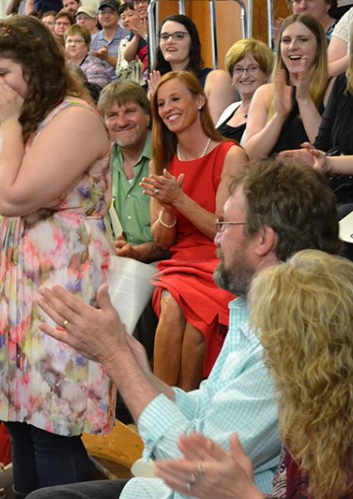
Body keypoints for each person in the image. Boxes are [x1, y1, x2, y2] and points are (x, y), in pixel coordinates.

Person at [31, 159, 343, 499]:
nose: (216, 238)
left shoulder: (292, 335)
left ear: (263, 240)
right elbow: (204, 410)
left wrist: (115, 356)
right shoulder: (257, 310)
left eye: (224, 223)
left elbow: (197, 468)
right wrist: (132, 361)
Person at [0, 16, 114, 498]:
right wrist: (1, 125)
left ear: (36, 70)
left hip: (59, 286)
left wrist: (10, 121)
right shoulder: (20, 121)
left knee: (52, 427)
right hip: (13, 287)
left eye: (2, 72)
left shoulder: (76, 118)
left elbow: (15, 196)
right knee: (20, 421)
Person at [155, 250, 353, 499]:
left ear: (314, 359)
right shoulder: (322, 411)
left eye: (275, 346)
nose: (269, 358)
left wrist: (243, 493)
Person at [140, 71, 248, 390]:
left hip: (222, 258)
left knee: (196, 328)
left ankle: (188, 415)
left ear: (199, 100)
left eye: (175, 98)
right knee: (172, 304)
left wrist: (178, 199)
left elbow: (225, 229)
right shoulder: (161, 161)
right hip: (181, 262)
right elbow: (162, 240)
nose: (167, 108)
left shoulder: (231, 154)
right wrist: (169, 210)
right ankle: (159, 411)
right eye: (160, 103)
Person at [278, 0, 353, 277]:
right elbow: (322, 146)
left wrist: (331, 164)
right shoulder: (346, 84)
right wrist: (308, 157)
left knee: (337, 221)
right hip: (339, 193)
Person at [244, 13, 331, 160]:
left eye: (302, 40)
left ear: (318, 48)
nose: (292, 47)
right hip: (270, 178)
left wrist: (303, 99)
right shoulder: (265, 92)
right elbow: (250, 156)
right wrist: (278, 117)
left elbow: (327, 150)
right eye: (286, 40)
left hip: (314, 180)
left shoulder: (332, 87)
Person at [98, 80, 165, 263]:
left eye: (129, 111)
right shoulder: (100, 165)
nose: (122, 122)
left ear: (147, 116)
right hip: (118, 265)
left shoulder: (168, 156)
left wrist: (137, 253)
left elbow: (178, 239)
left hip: (164, 266)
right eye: (112, 115)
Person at [150, 14, 235, 124]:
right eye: (165, 36)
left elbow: (217, 134)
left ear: (192, 42)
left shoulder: (216, 79)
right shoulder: (156, 83)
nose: (170, 41)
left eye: (179, 36)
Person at [215, 39, 273, 143]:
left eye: (253, 68)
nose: (245, 75)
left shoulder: (270, 111)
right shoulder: (230, 109)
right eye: (238, 69)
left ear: (267, 74)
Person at [91, 0, 130, 81]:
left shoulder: (128, 37)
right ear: (98, 16)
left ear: (119, 16)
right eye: (102, 13)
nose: (106, 16)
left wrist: (106, 57)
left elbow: (129, 69)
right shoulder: (92, 39)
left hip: (123, 85)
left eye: (111, 12)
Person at [65, 25, 112, 89]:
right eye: (69, 41)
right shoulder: (61, 63)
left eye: (78, 41)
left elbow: (95, 95)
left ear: (87, 45)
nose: (72, 44)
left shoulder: (96, 68)